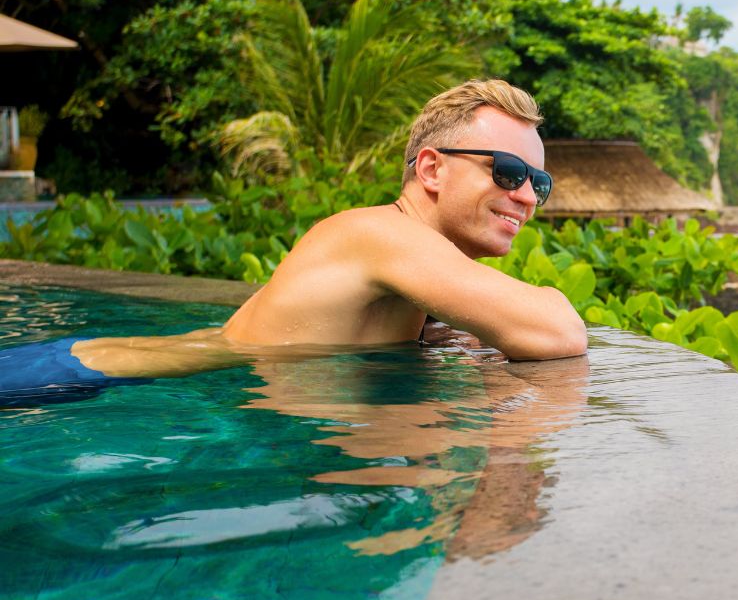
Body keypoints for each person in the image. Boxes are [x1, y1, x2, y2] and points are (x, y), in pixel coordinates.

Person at [1, 79, 587, 407]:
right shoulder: (380, 234)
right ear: (431, 169)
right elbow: (556, 330)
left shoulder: (403, 260)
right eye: (508, 171)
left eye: (539, 183)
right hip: (82, 378)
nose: (528, 197)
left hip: (103, 370)